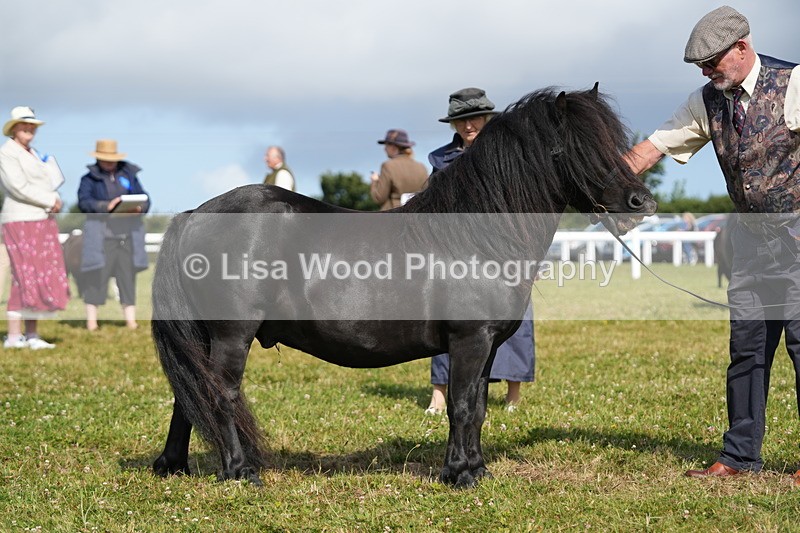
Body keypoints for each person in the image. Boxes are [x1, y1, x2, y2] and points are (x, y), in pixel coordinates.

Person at [625, 6, 800, 484]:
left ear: (742, 47)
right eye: (699, 66)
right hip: (749, 247)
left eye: (711, 62)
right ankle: (739, 457)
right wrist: (599, 185)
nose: (705, 72)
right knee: (746, 351)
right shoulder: (706, 101)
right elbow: (652, 148)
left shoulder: (793, 84)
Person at [425, 87, 536, 414]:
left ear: (487, 118)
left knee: (516, 320)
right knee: (446, 321)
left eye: (474, 118)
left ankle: (513, 394)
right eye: (460, 120)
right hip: (456, 253)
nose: (468, 125)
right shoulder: (441, 159)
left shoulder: (509, 156)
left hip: (504, 252)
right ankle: (439, 394)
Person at [0, 106, 69, 349]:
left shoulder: (35, 154)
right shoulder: (7, 153)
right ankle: (14, 335)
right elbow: (18, 186)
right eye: (24, 124)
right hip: (21, 219)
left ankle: (32, 334)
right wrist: (51, 200)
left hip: (41, 219)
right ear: (14, 128)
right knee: (22, 274)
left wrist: (54, 200)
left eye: (32, 125)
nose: (29, 129)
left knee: (38, 275)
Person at [78, 139, 150, 331]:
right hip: (102, 237)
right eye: (105, 159)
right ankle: (92, 322)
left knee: (127, 278)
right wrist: (105, 206)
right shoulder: (88, 180)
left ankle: (131, 321)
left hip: (127, 237)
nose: (109, 162)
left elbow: (145, 198)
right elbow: (84, 202)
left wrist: (139, 208)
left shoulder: (129, 176)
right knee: (96, 278)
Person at [369, 129, 428, 210]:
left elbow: (379, 198)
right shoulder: (422, 167)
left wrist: (375, 181)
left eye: (386, 145)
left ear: (393, 147)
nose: (385, 149)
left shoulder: (387, 166)